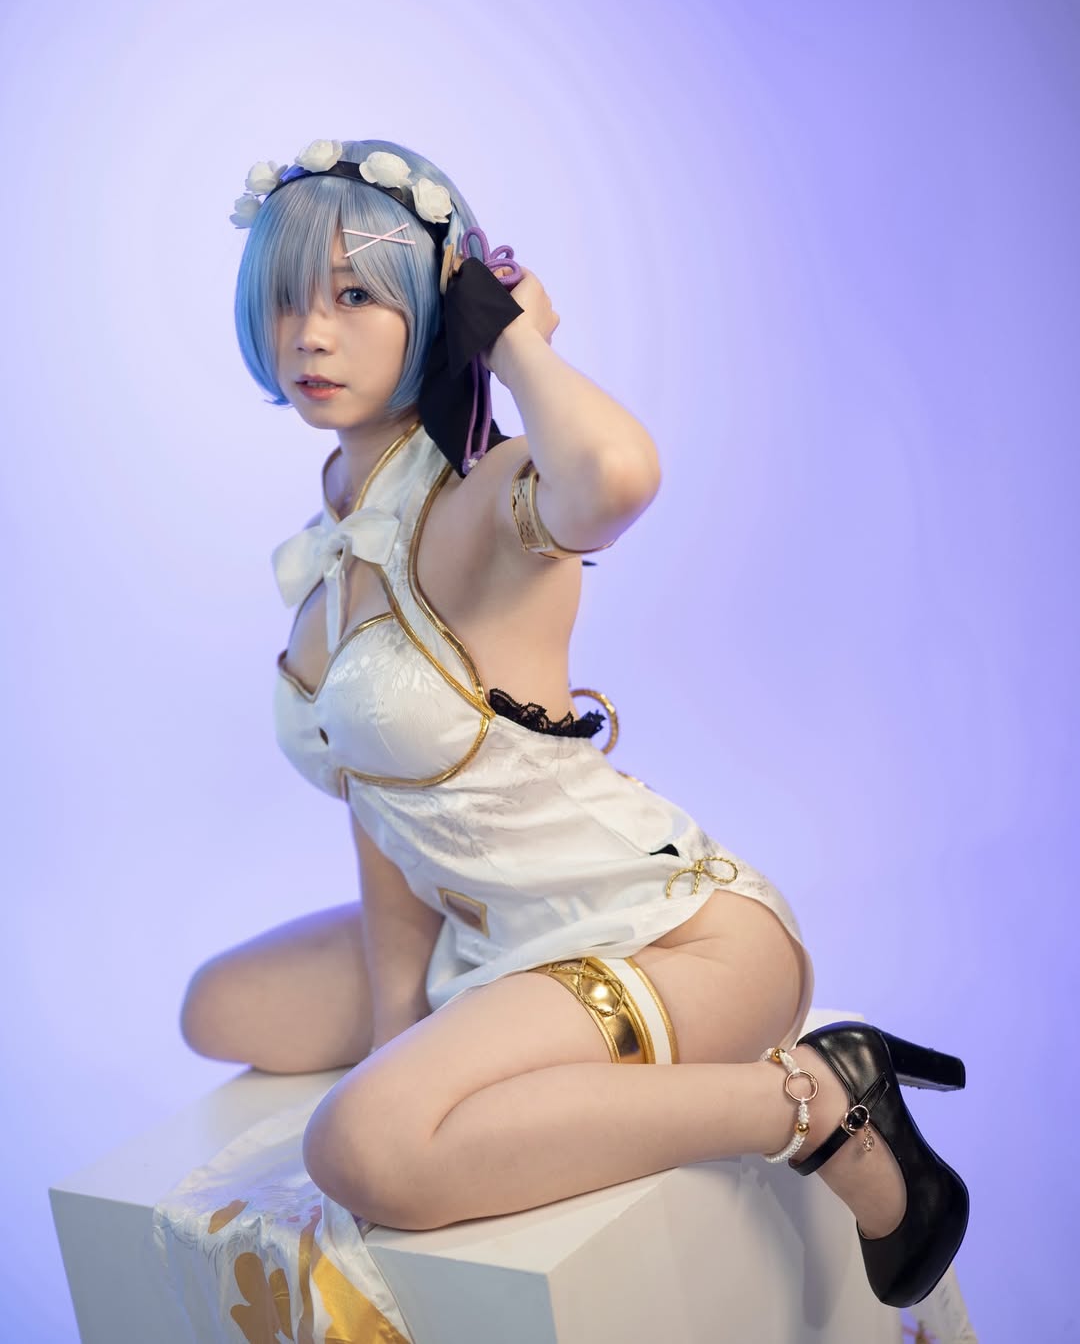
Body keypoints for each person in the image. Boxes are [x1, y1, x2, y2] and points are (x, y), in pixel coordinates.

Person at [179, 137, 968, 1311]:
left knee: (363, 1147)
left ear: (434, 305)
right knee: (217, 1010)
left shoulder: (486, 497)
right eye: (288, 298)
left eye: (354, 295)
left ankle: (817, 1096)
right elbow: (382, 802)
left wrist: (513, 335)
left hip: (669, 936)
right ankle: (475, 1039)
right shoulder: (333, 542)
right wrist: (399, 1021)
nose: (311, 335)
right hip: (484, 926)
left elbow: (617, 473)